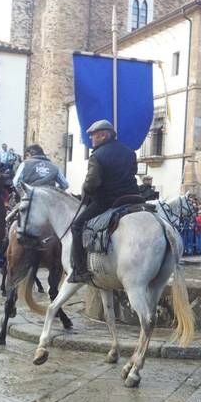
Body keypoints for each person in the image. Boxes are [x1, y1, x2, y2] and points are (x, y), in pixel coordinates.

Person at [69, 119, 140, 283]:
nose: (91, 140)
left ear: (103, 136)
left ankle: (80, 271)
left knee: (77, 226)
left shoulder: (97, 156)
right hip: (133, 198)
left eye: (93, 136)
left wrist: (85, 192)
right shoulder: (130, 152)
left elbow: (92, 183)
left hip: (107, 201)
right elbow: (132, 172)